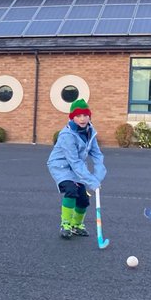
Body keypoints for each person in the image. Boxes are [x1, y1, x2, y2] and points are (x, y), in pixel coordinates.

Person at [47, 99, 107, 239]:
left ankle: (76, 225)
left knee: (84, 199)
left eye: (85, 115)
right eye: (78, 116)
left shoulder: (90, 132)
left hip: (77, 167)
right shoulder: (67, 135)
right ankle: (65, 224)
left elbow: (97, 154)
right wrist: (91, 181)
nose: (82, 119)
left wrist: (98, 175)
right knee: (71, 189)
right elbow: (74, 161)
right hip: (60, 166)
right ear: (72, 117)